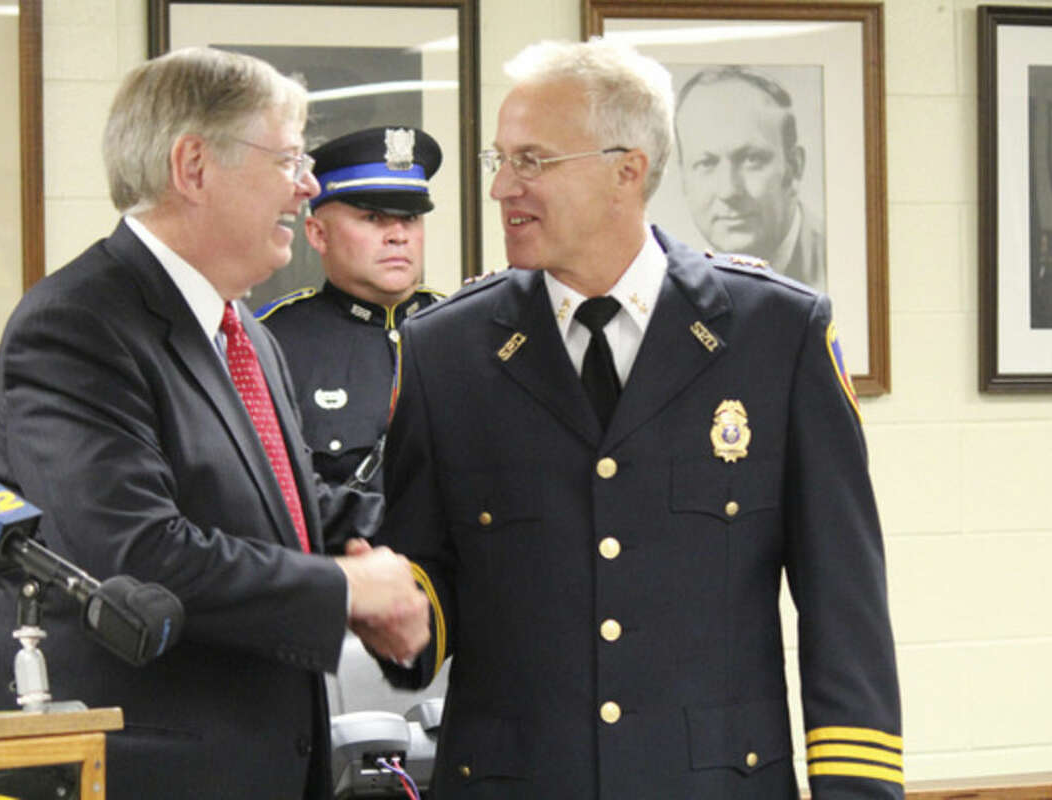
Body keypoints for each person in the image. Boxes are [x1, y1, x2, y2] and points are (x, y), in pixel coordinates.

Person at [370, 39, 903, 798]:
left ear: (628, 169)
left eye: (533, 161)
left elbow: (843, 605)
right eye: (500, 161)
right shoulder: (445, 350)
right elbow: (422, 587)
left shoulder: (775, 334)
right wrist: (389, 613)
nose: (503, 189)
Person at [0, 47, 428, 800]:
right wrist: (346, 589)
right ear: (193, 167)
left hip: (263, 764)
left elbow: (287, 509)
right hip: (145, 773)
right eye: (290, 158)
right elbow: (136, 555)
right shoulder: (75, 326)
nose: (308, 186)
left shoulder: (241, 330)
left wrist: (422, 552)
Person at [259, 126, 444, 495]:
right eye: (373, 218)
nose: (398, 235)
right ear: (317, 234)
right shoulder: (273, 343)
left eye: (410, 218)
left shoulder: (465, 331)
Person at [675, 65, 826, 291]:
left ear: (794, 167)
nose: (728, 191)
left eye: (751, 160)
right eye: (706, 163)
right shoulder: (673, 286)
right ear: (684, 178)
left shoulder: (843, 263)